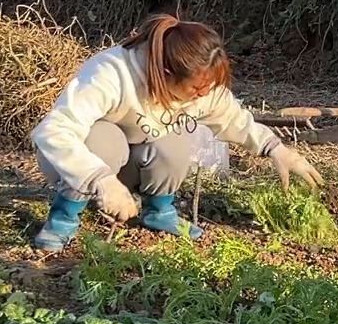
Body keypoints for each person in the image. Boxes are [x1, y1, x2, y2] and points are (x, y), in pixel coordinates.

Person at [30, 13, 321, 251]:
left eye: (208, 88)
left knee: (175, 141)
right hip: (81, 165)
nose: (203, 94)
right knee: (106, 139)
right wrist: (102, 180)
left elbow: (232, 117)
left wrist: (276, 149)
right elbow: (54, 130)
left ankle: (159, 212)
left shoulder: (199, 84)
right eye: (196, 89)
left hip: (128, 166)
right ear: (167, 74)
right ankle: (63, 217)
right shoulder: (112, 73)